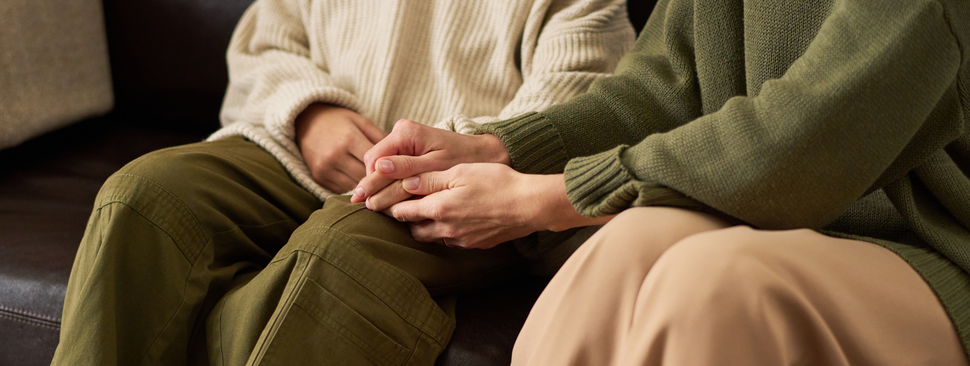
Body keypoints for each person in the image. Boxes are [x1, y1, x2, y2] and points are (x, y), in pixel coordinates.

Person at [352, 0, 970, 364]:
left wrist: (548, 198)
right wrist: (502, 149)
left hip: (939, 253)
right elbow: (663, 88)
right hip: (764, 219)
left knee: (715, 281)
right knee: (627, 241)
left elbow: (809, 139)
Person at [50, 0, 635, 364]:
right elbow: (266, 41)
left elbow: (577, 105)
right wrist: (310, 111)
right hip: (297, 154)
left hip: (467, 189)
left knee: (336, 253)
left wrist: (437, 160)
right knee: (143, 196)